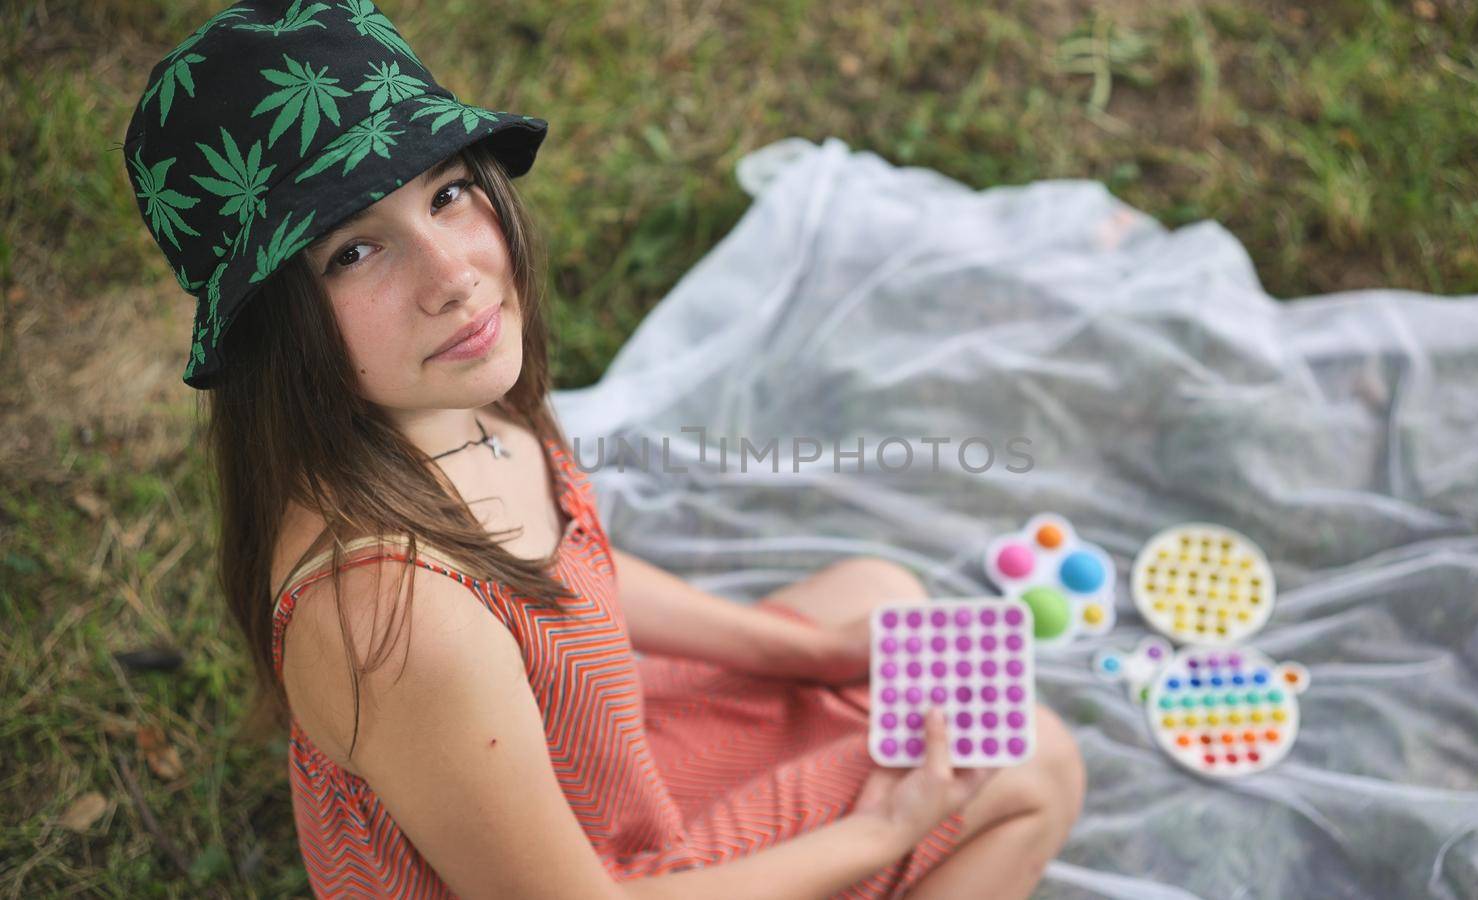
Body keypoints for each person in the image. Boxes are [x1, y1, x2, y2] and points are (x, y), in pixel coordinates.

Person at [123, 2, 1085, 897]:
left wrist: (803, 652)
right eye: (352, 252)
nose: (455, 275)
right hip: (595, 871)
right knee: (1035, 763)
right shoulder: (398, 621)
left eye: (449, 193)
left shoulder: (443, 394)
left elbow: (572, 577)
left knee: (877, 598)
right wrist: (881, 830)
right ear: (271, 331)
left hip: (582, 757)